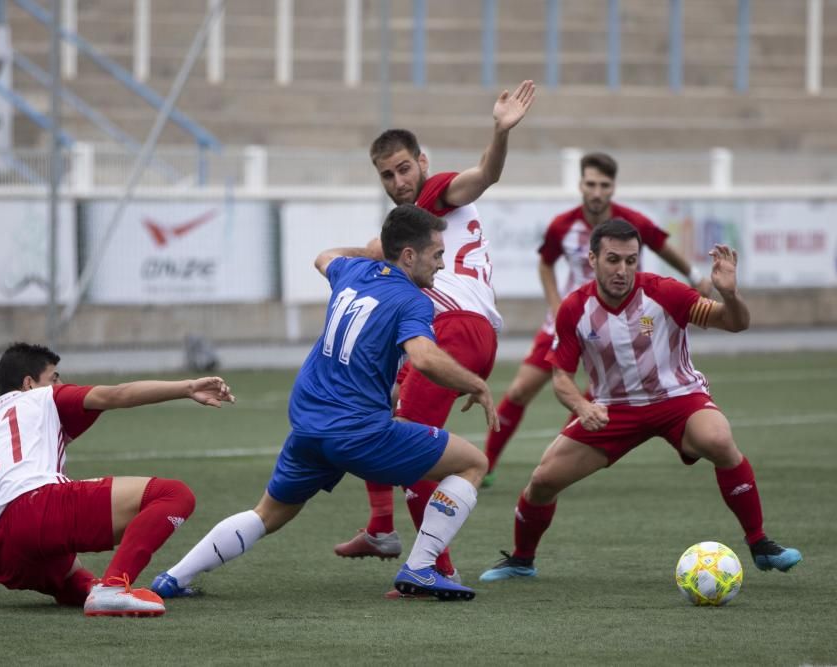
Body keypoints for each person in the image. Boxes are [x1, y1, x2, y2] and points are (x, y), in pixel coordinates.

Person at [151, 204, 499, 601]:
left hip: (309, 425)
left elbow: (323, 257)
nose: (441, 265)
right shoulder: (414, 300)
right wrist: (476, 384)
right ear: (408, 255)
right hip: (360, 433)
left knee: (268, 513)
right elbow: (422, 356)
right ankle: (421, 567)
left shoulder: (351, 271)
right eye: (437, 254)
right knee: (473, 463)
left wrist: (373, 252)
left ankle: (172, 578)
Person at [478, 219, 803, 584]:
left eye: (631, 261)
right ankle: (522, 561)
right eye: (613, 260)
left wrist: (729, 294)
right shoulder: (575, 309)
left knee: (719, 441)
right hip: (613, 409)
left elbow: (735, 323)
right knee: (541, 480)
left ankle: (760, 544)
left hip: (678, 399)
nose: (623, 270)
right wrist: (582, 407)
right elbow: (561, 379)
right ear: (593, 259)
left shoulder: (665, 292)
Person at [333, 81, 536, 588]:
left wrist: (500, 130)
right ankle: (383, 528)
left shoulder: (435, 190)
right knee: (376, 412)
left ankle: (431, 569)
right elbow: (374, 249)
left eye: (404, 167)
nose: (399, 180)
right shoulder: (409, 225)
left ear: (422, 162)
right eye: (387, 174)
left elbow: (484, 174)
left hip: (455, 330)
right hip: (448, 332)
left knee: (410, 454)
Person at [0, 342, 235, 617]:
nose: (61, 383)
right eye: (54, 377)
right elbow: (115, 395)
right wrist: (186, 387)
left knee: (71, 579)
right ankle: (113, 588)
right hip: (34, 510)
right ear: (30, 383)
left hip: (2, 557)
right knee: (173, 495)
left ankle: (94, 589)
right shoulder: (42, 398)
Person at [482, 151, 714, 486]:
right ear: (580, 184)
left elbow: (662, 246)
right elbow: (545, 264)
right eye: (590, 183)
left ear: (613, 187)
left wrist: (695, 274)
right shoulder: (562, 225)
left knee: (604, 393)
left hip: (624, 324)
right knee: (520, 390)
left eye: (604, 185)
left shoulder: (631, 223)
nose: (597, 191)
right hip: (570, 321)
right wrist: (556, 304)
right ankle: (487, 465)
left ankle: (565, 462)